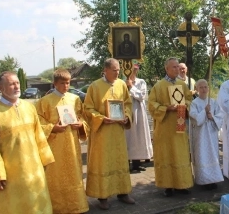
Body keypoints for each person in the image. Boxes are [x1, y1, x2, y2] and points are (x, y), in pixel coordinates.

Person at [0, 71, 55, 214]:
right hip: (11, 174)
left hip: (34, 170)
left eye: (17, 83)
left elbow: (39, 136)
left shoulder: (29, 107)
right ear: (1, 88)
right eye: (11, 84)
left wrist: (45, 160)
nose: (16, 86)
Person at [35, 68, 89, 214]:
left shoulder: (75, 99)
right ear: (54, 84)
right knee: (56, 176)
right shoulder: (44, 101)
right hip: (54, 146)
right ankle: (57, 207)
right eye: (62, 83)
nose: (66, 86)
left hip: (72, 144)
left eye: (68, 83)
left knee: (74, 175)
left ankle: (77, 206)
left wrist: (81, 125)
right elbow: (37, 123)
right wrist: (52, 128)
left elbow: (82, 117)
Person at [84, 58, 135, 210]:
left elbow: (127, 103)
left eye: (118, 70)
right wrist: (101, 118)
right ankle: (103, 196)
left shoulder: (121, 84)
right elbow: (87, 109)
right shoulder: (95, 86)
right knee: (103, 163)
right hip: (103, 133)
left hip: (117, 132)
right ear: (105, 70)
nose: (117, 72)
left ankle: (123, 192)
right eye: (114, 70)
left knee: (119, 161)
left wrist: (126, 116)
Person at [148, 57, 193, 197]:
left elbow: (190, 101)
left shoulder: (182, 84)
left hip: (179, 125)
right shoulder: (158, 86)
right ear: (167, 69)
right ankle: (168, 186)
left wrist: (185, 106)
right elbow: (151, 105)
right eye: (173, 67)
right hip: (165, 127)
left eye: (177, 67)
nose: (177, 69)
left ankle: (182, 184)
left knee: (180, 154)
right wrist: (166, 108)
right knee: (167, 155)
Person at [189, 79, 224, 190]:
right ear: (197, 89)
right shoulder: (194, 103)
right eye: (201, 87)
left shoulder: (213, 102)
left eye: (205, 87)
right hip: (201, 134)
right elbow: (195, 118)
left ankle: (213, 179)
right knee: (202, 155)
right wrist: (204, 111)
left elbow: (220, 115)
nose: (203, 89)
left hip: (211, 132)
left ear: (208, 88)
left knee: (212, 154)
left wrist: (212, 117)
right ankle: (203, 180)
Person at [125, 64, 153, 173]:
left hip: (138, 112)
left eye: (136, 69)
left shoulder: (141, 82)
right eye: (133, 69)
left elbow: (142, 96)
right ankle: (126, 163)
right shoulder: (122, 83)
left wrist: (131, 86)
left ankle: (137, 164)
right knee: (127, 137)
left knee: (138, 137)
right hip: (126, 112)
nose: (135, 71)